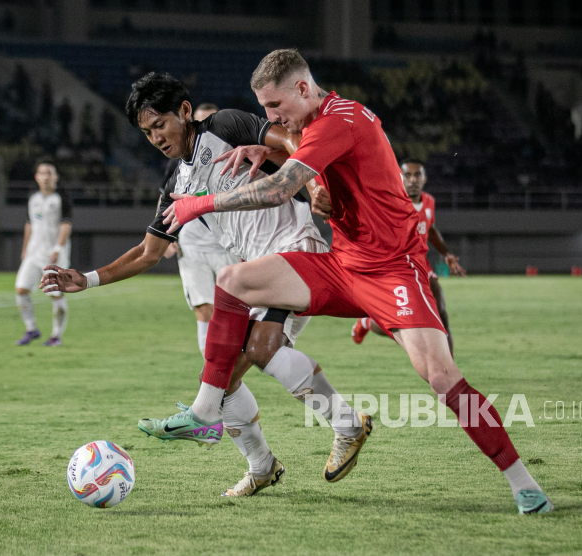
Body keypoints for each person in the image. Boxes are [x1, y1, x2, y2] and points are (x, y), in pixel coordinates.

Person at [157, 49, 552, 514]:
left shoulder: (337, 122)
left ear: (303, 89)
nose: (271, 117)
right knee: (234, 279)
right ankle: (207, 408)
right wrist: (270, 146)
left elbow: (278, 189)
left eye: (275, 107)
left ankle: (523, 483)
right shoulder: (311, 121)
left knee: (443, 377)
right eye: (264, 109)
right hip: (342, 265)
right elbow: (302, 158)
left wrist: (197, 205)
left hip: (392, 270)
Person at [41, 73, 369, 496]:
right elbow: (148, 253)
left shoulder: (225, 126)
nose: (155, 138)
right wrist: (85, 279)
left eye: (159, 125)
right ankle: (263, 464)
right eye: (146, 132)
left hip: (293, 247)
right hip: (258, 273)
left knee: (256, 353)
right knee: (228, 376)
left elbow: (289, 137)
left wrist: (313, 181)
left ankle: (344, 423)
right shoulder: (176, 185)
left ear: (183, 111)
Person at [351, 159, 466, 354]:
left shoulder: (428, 201)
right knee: (400, 323)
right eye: (408, 175)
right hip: (395, 268)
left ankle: (452, 376)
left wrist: (446, 253)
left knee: (442, 313)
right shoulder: (390, 201)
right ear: (400, 177)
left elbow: (430, 229)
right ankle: (368, 323)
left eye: (417, 175)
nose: (413, 180)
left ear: (425, 178)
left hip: (421, 266)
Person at [160, 102, 242, 357]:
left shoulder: (236, 154)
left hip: (228, 242)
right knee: (204, 309)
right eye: (199, 121)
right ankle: (211, 376)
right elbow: (166, 197)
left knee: (233, 311)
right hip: (192, 244)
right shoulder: (179, 160)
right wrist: (166, 235)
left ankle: (229, 372)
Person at [15, 158, 72, 347]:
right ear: (36, 177)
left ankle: (56, 336)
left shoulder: (61, 198)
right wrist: (24, 250)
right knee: (21, 289)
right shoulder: (33, 199)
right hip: (33, 253)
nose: (46, 177)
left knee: (55, 294)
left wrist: (58, 248)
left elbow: (65, 225)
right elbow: (29, 224)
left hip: (53, 255)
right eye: (42, 173)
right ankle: (31, 329)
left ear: (56, 177)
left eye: (49, 173)